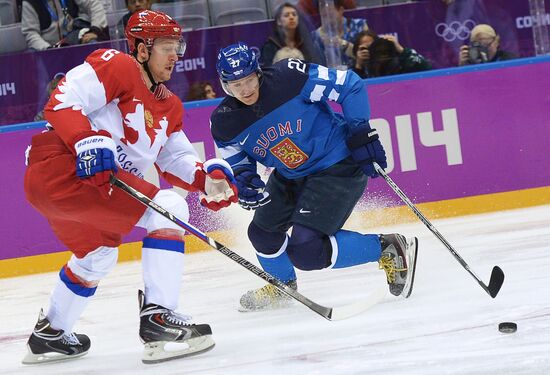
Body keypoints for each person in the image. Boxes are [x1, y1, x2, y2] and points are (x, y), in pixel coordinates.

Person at [22, 10, 238, 365]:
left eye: (177, 46)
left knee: (98, 255)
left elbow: (175, 159)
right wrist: (85, 139)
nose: (175, 55)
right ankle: (158, 318)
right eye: (166, 47)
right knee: (168, 206)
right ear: (140, 49)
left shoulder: (169, 105)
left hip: (73, 187)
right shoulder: (116, 65)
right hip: (63, 167)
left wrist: (207, 179)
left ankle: (51, 333)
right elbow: (62, 99)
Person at [210, 42, 418, 312]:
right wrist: (245, 179)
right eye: (236, 85)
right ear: (224, 85)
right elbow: (237, 160)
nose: (245, 90)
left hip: (336, 165)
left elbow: (349, 85)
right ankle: (282, 286)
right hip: (290, 175)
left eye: (249, 80)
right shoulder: (224, 121)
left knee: (306, 251)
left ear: (258, 72)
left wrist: (360, 132)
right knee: (262, 234)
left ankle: (388, 247)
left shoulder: (290, 78)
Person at [21, 0, 108, 50]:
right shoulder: (29, 2)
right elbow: (31, 33)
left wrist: (95, 30)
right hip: (48, 49)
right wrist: (48, 49)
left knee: (93, 43)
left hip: (74, 41)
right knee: (31, 53)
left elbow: (94, 4)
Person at [260, 2, 322, 67]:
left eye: (294, 14)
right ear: (278, 21)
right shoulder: (270, 46)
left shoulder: (306, 42)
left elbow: (314, 66)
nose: (291, 17)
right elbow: (268, 72)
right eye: (286, 15)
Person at [311, 0, 368, 67]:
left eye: (331, 15)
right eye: (324, 16)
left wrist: (344, 45)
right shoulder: (316, 36)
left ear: (341, 10)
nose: (328, 19)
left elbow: (369, 55)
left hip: (360, 74)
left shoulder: (360, 25)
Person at [364, 33, 432, 78]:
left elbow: (427, 68)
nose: (383, 55)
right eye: (378, 51)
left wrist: (401, 50)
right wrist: (359, 66)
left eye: (386, 51)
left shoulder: (403, 62)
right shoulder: (364, 68)